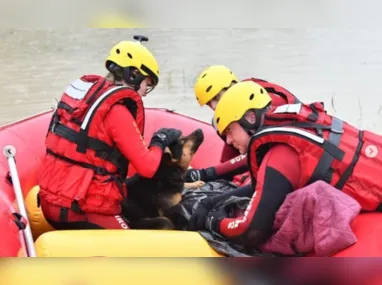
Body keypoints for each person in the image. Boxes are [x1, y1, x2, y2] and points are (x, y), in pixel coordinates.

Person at [188, 80, 382, 249]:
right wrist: (212, 202)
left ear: (250, 118)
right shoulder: (287, 125)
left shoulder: (280, 156)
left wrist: (214, 222)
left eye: (230, 130)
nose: (228, 140)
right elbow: (261, 189)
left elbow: (252, 232)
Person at [37, 35, 182, 230]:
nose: (144, 93)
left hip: (51, 203)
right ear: (134, 75)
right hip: (80, 210)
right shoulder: (116, 111)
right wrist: (160, 140)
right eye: (146, 85)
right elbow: (147, 168)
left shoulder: (83, 98)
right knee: (146, 241)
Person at [184, 65, 301, 185]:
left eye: (216, 98)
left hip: (293, 155)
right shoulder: (238, 107)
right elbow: (229, 157)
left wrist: (206, 174)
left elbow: (255, 153)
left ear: (233, 84)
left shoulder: (262, 103)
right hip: (267, 154)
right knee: (218, 123)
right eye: (209, 103)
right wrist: (221, 174)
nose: (214, 106)